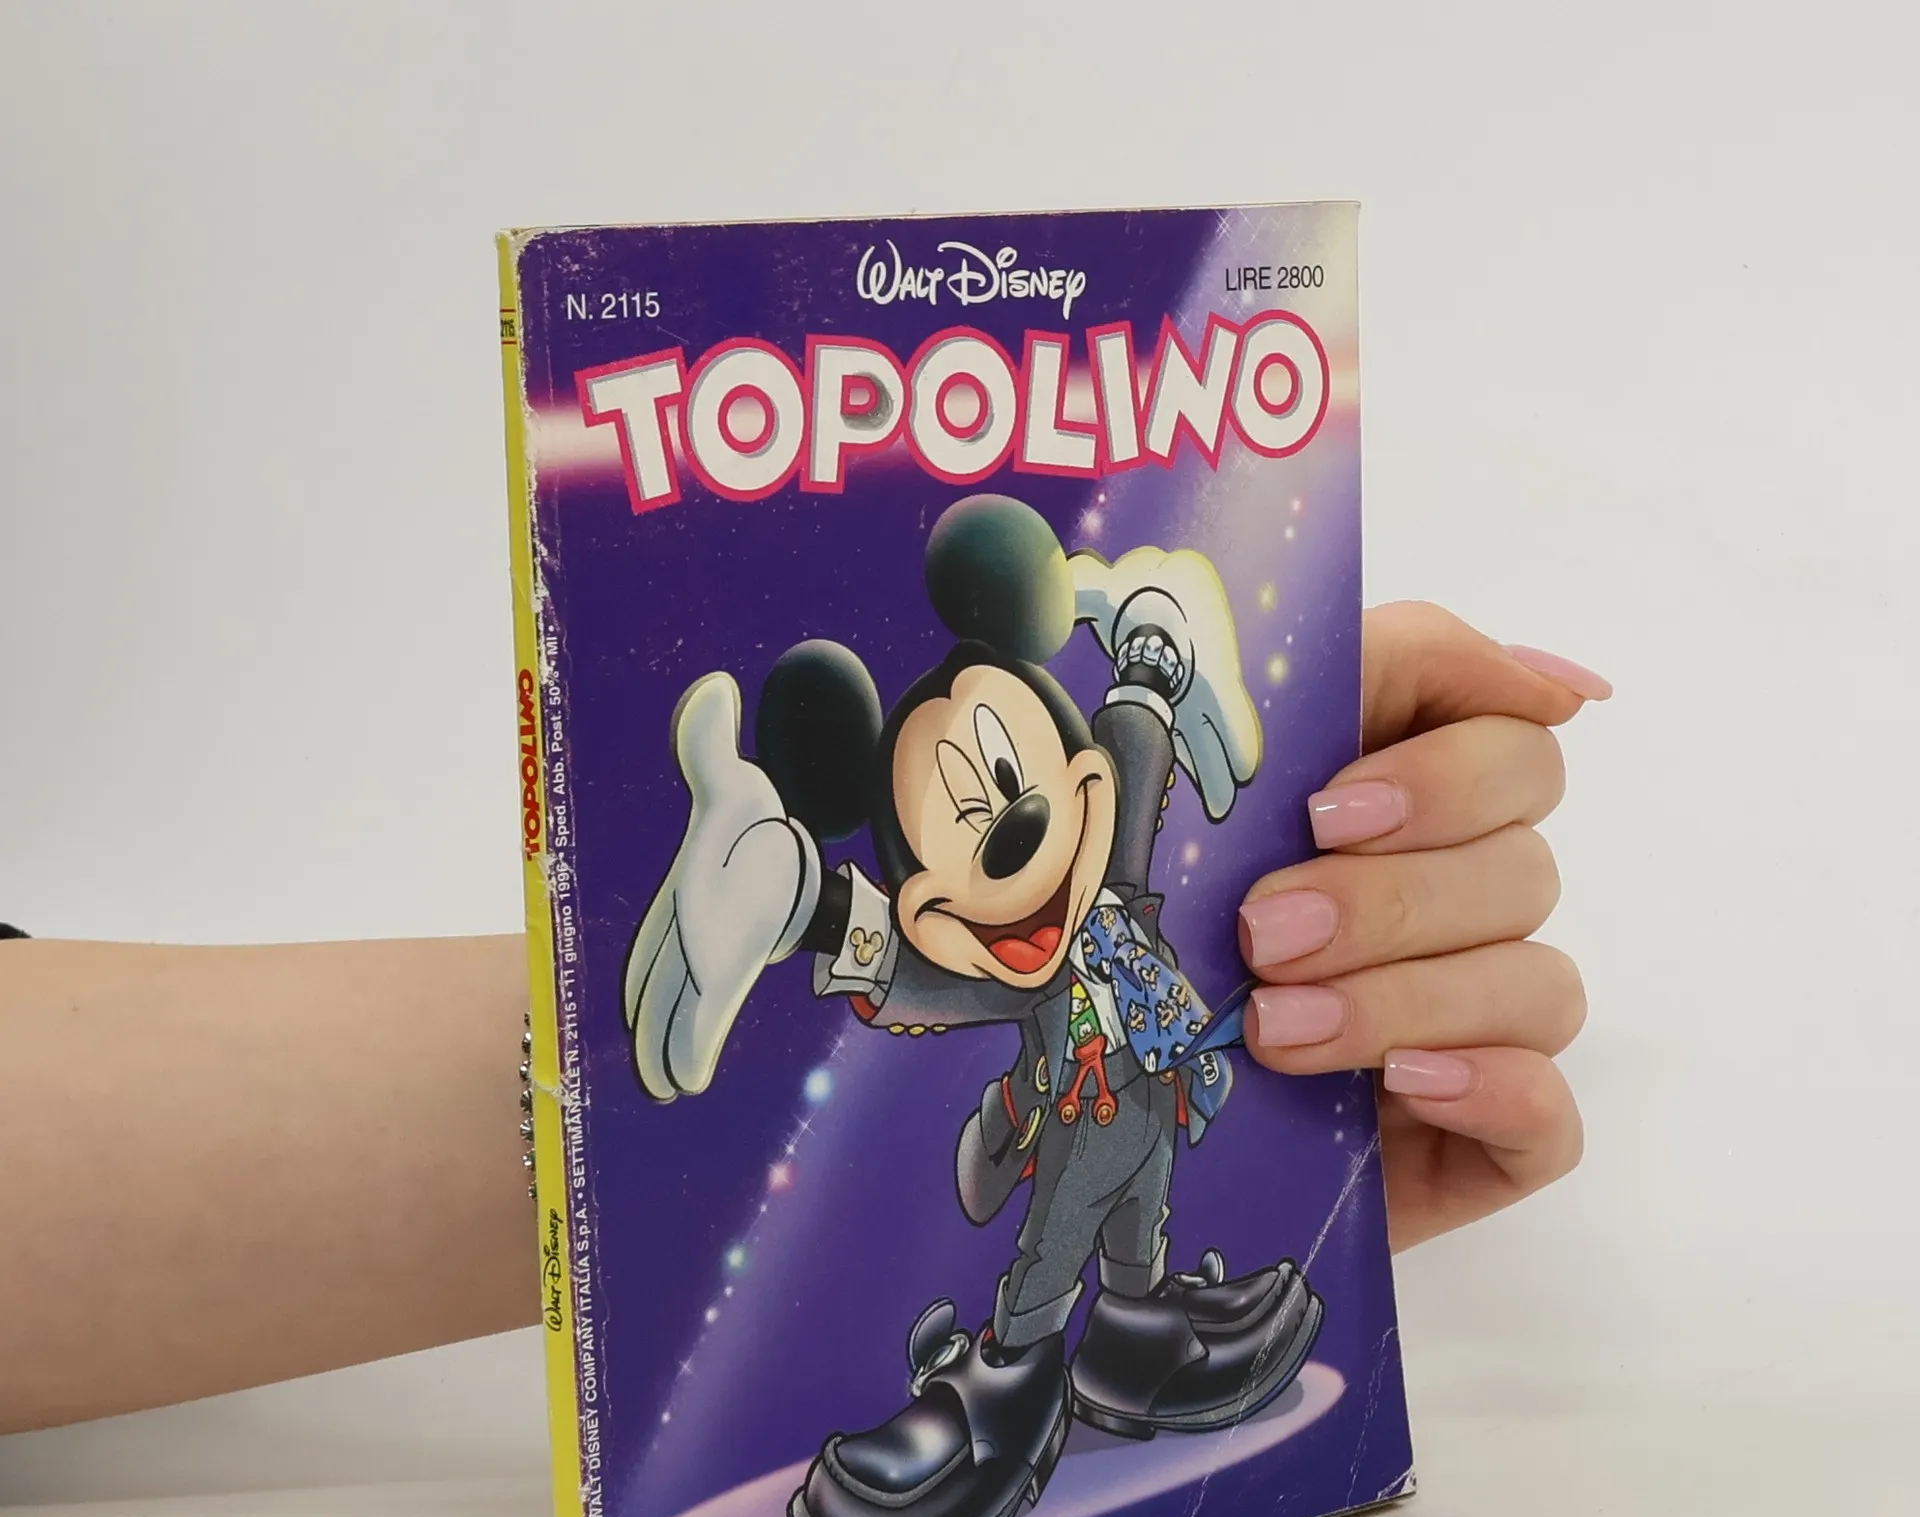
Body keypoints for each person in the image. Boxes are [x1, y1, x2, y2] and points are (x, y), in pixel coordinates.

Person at [0, 601, 1606, 1437]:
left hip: (1162, 1128)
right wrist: (803, 936)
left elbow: (1129, 768)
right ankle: (1016, 1370)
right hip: (1067, 1136)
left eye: (1019, 789)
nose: (1003, 837)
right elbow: (932, 963)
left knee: (1132, 1243)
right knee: (1056, 1252)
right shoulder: (994, 958)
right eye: (951, 830)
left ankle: (1134, 1337)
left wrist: (1224, 724)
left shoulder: (1119, 878)